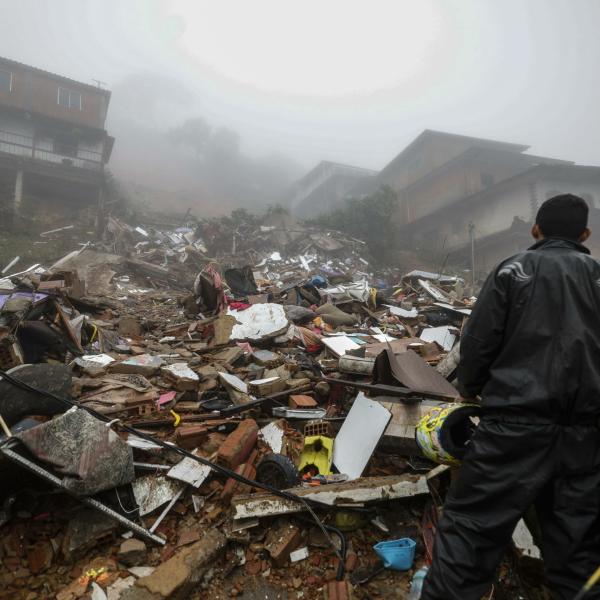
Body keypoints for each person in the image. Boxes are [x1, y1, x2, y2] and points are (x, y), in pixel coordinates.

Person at [421, 194, 600, 600]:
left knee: (469, 537)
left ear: (535, 229)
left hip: (512, 430)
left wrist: (472, 389)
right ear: (585, 234)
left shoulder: (512, 271)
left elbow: (479, 343)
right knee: (580, 555)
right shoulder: (597, 277)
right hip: (584, 438)